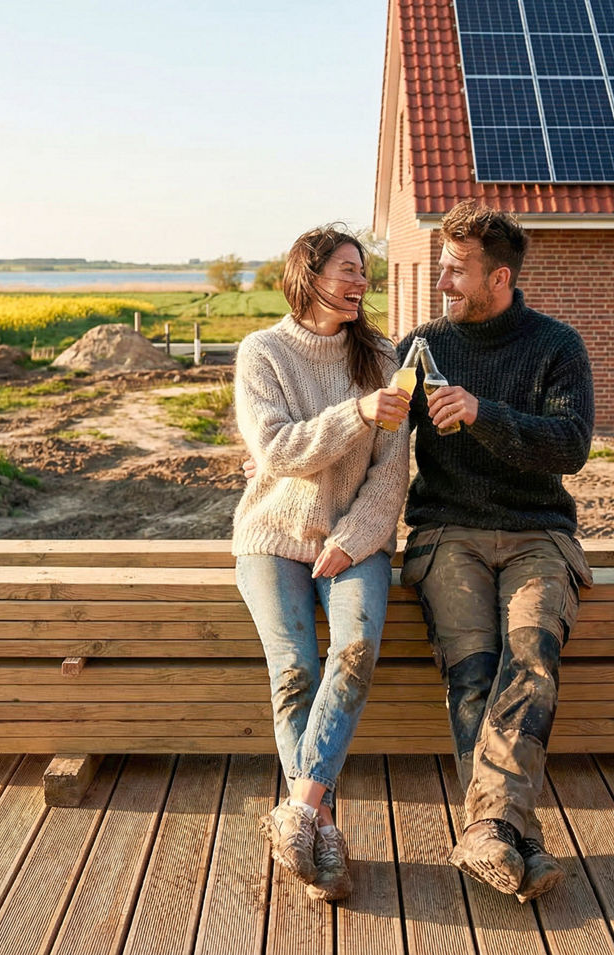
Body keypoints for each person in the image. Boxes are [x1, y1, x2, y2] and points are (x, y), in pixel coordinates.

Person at [397, 199, 594, 903]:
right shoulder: (422, 347)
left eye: (456, 270)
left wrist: (484, 413)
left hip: (539, 533)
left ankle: (491, 832)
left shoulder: (557, 347)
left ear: (499, 277)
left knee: (531, 656)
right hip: (447, 533)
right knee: (474, 672)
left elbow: (570, 446)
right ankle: (515, 836)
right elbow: (377, 450)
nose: (441, 282)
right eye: (441, 267)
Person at [232, 225, 411, 902]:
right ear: (309, 277)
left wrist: (357, 536)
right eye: (347, 270)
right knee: (295, 671)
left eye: (364, 271)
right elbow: (275, 450)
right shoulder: (263, 352)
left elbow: (392, 471)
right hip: (272, 534)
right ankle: (325, 831)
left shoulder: (383, 357)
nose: (361, 282)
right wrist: (357, 413)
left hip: (353, 540)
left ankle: (300, 811)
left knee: (356, 647)